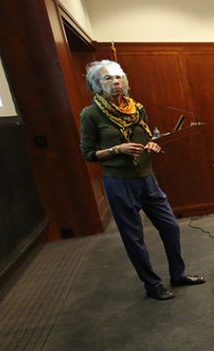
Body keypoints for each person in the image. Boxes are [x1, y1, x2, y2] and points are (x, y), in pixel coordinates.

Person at [78, 60, 205, 301]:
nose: (116, 82)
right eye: (108, 78)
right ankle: (151, 283)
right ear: (96, 84)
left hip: (147, 178)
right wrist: (117, 149)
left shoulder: (137, 108)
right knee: (134, 236)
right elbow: (88, 153)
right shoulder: (91, 114)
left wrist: (151, 144)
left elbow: (146, 137)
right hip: (119, 181)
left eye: (119, 77)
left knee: (170, 226)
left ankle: (178, 274)